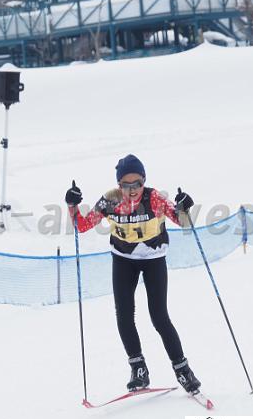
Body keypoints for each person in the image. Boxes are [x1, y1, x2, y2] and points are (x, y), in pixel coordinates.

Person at [65, 154, 202, 394]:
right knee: (124, 314)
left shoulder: (155, 198)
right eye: (125, 185)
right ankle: (139, 369)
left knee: (159, 316)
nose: (131, 190)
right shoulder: (110, 200)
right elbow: (82, 225)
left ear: (144, 181)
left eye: (136, 184)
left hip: (153, 259)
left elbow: (184, 223)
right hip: (123, 259)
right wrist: (72, 205)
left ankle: (183, 370)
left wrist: (184, 207)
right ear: (118, 185)